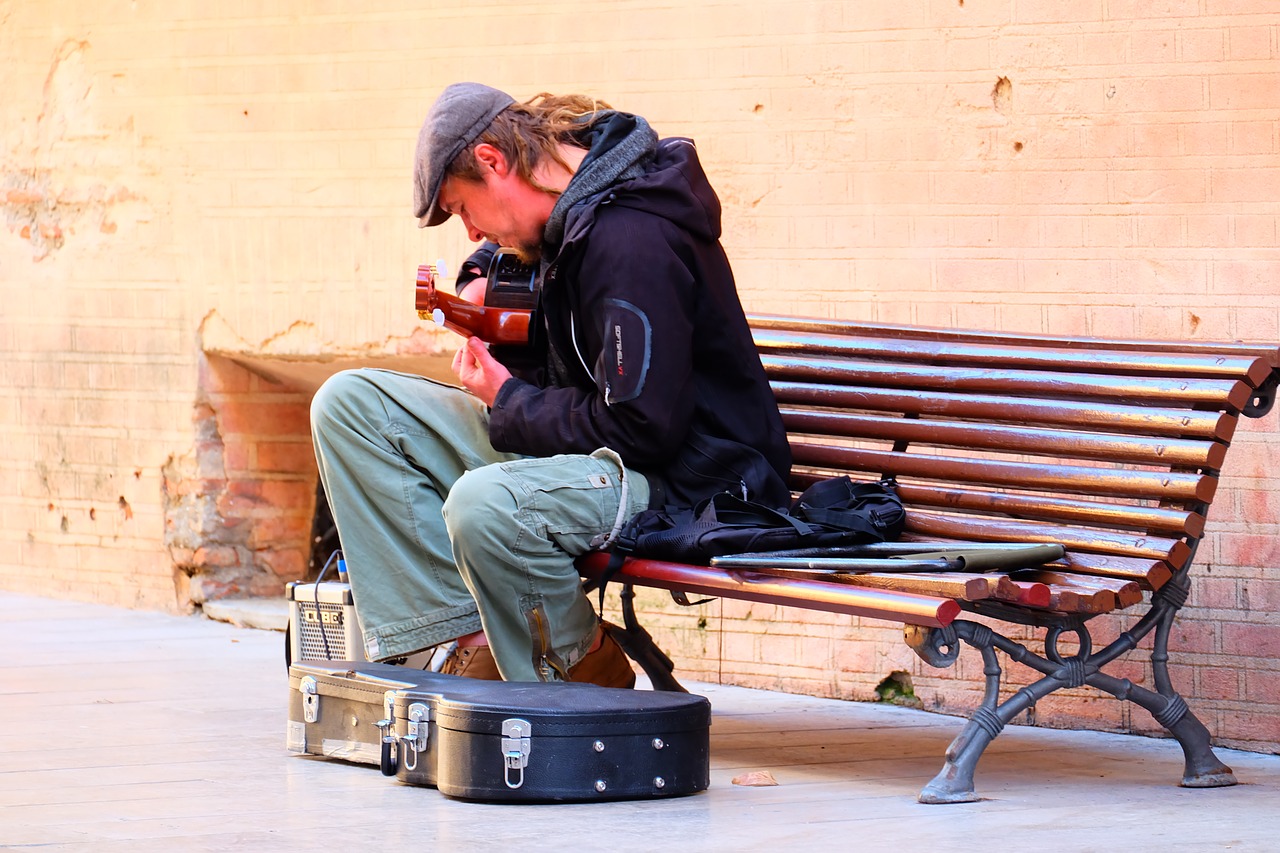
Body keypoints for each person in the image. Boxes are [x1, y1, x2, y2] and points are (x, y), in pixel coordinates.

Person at [310, 82, 791, 686]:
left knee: (486, 505)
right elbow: (529, 243)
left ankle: (578, 671)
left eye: (463, 209)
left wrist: (508, 399)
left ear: (493, 161)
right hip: (596, 449)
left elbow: (642, 429)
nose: (469, 232)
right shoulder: (570, 197)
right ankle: (472, 634)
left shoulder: (631, 242)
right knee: (350, 405)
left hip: (683, 480)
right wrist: (482, 276)